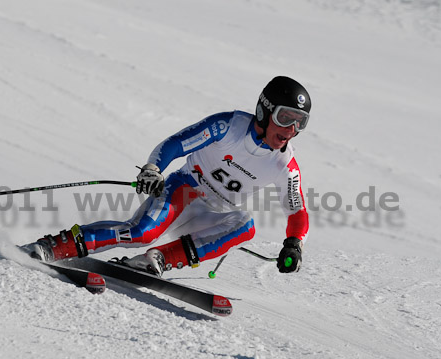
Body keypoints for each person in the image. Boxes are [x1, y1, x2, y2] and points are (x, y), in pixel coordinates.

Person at [22, 76, 311, 277]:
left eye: (300, 124)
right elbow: (176, 143)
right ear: (265, 110)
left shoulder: (285, 164)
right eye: (286, 118)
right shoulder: (229, 126)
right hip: (184, 190)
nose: (290, 130)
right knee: (141, 233)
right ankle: (53, 246)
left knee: (245, 225)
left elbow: (297, 210)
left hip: (213, 214)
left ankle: (156, 261)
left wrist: (294, 243)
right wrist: (153, 169)